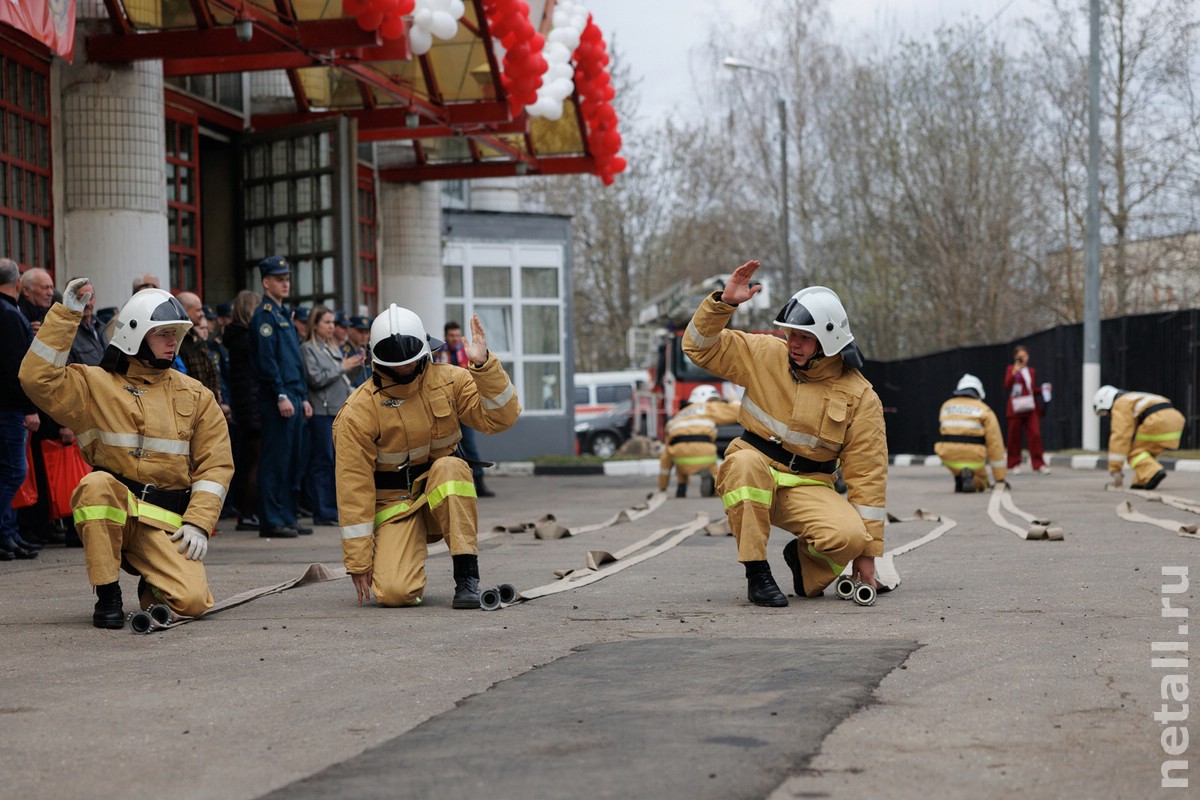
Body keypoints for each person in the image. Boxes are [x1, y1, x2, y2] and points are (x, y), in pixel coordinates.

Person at [19, 280, 233, 628]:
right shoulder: (94, 384)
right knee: (95, 486)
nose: (172, 342)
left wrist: (198, 522)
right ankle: (107, 592)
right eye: (162, 333)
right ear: (135, 334)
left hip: (165, 522)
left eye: (175, 334)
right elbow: (36, 379)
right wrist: (67, 315)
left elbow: (217, 465)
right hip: (116, 508)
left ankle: (153, 582)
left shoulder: (197, 395)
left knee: (192, 602)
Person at [681, 260, 887, 608]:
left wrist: (867, 555)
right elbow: (699, 347)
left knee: (852, 537)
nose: (793, 343)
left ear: (829, 339)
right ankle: (757, 573)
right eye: (791, 334)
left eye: (805, 337)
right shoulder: (765, 353)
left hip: (808, 485)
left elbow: (868, 475)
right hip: (754, 470)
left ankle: (805, 563)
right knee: (744, 464)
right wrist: (724, 304)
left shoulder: (861, 396)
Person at [333, 307, 520, 608]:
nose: (406, 368)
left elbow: (501, 418)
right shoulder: (358, 411)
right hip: (395, 506)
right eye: (398, 364)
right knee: (395, 593)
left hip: (442, 498)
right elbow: (353, 487)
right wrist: (358, 560)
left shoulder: (451, 380)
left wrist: (483, 365)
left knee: (450, 467)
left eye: (410, 360)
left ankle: (467, 578)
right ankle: (400, 553)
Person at [248, 256, 312, 539]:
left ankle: (287, 516)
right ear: (266, 282)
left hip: (294, 394)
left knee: (292, 461)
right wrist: (280, 393)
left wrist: (303, 396)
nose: (285, 283)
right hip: (279, 397)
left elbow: (294, 362)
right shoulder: (265, 316)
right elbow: (267, 361)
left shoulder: (283, 314)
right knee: (275, 461)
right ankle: (272, 519)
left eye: (287, 279)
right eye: (279, 279)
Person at [301, 306, 362, 526]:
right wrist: (342, 367)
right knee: (323, 461)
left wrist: (355, 365)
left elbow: (342, 379)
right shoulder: (309, 349)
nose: (331, 327)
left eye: (332, 322)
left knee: (337, 461)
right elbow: (315, 378)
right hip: (321, 410)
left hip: (338, 409)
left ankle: (334, 508)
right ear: (315, 324)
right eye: (326, 322)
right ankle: (323, 511)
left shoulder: (332, 347)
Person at [0, 259, 41, 560]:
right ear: (18, 283)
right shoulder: (10, 315)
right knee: (14, 472)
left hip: (7, 407)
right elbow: (17, 369)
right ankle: (4, 533)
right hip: (10, 409)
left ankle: (8, 533)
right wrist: (29, 407)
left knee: (8, 472)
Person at [435, 320, 496, 497]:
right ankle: (455, 486)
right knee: (447, 448)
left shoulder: (466, 352)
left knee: (470, 445)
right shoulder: (439, 354)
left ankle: (479, 482)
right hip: (445, 409)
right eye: (451, 335)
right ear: (446, 336)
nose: (454, 338)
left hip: (463, 406)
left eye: (457, 335)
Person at [1093, 385, 1185, 491]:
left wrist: (1115, 468)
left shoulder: (1120, 403)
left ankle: (1153, 472)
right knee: (1146, 452)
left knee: (1133, 453)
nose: (1109, 415)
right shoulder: (1134, 397)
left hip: (1157, 420)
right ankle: (1142, 479)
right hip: (1175, 419)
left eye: (1107, 412)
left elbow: (1120, 435)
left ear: (1106, 401)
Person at [657, 384, 740, 498]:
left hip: (680, 457)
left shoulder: (679, 415)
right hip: (704, 453)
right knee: (714, 470)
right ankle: (714, 484)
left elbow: (668, 447)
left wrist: (662, 485)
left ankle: (681, 486)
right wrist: (734, 399)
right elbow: (737, 412)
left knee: (673, 449)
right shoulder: (709, 407)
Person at [224, 290, 263, 532]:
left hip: (245, 405)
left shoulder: (236, 338)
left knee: (250, 460)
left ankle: (248, 511)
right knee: (256, 461)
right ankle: (249, 512)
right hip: (252, 406)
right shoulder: (247, 339)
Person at [934, 374, 1007, 493]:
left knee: (958, 465)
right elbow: (995, 444)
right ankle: (970, 477)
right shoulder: (984, 409)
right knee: (982, 483)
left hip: (948, 455)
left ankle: (960, 477)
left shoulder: (946, 406)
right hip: (974, 455)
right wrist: (1000, 478)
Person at [1004, 344, 1050, 474]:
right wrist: (1014, 373)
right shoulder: (1011, 369)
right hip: (1016, 408)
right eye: (1019, 357)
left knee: (1035, 435)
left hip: (1030, 407)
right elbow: (1007, 385)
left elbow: (1031, 389)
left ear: (1028, 357)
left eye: (1024, 356)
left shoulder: (1031, 372)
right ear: (1015, 358)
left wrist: (1043, 389)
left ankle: (1039, 464)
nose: (1022, 359)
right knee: (1014, 436)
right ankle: (1014, 463)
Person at [67, 278, 109, 367]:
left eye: (90, 297)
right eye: (81, 298)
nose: (87, 303)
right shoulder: (68, 333)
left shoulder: (101, 327)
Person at [18, 267, 55, 333]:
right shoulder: (15, 314)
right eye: (45, 288)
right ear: (26, 290)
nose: (50, 293)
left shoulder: (53, 314)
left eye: (51, 288)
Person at [346, 315, 374, 387]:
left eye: (366, 332)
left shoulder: (366, 351)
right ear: (350, 330)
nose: (364, 336)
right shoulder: (345, 351)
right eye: (360, 332)